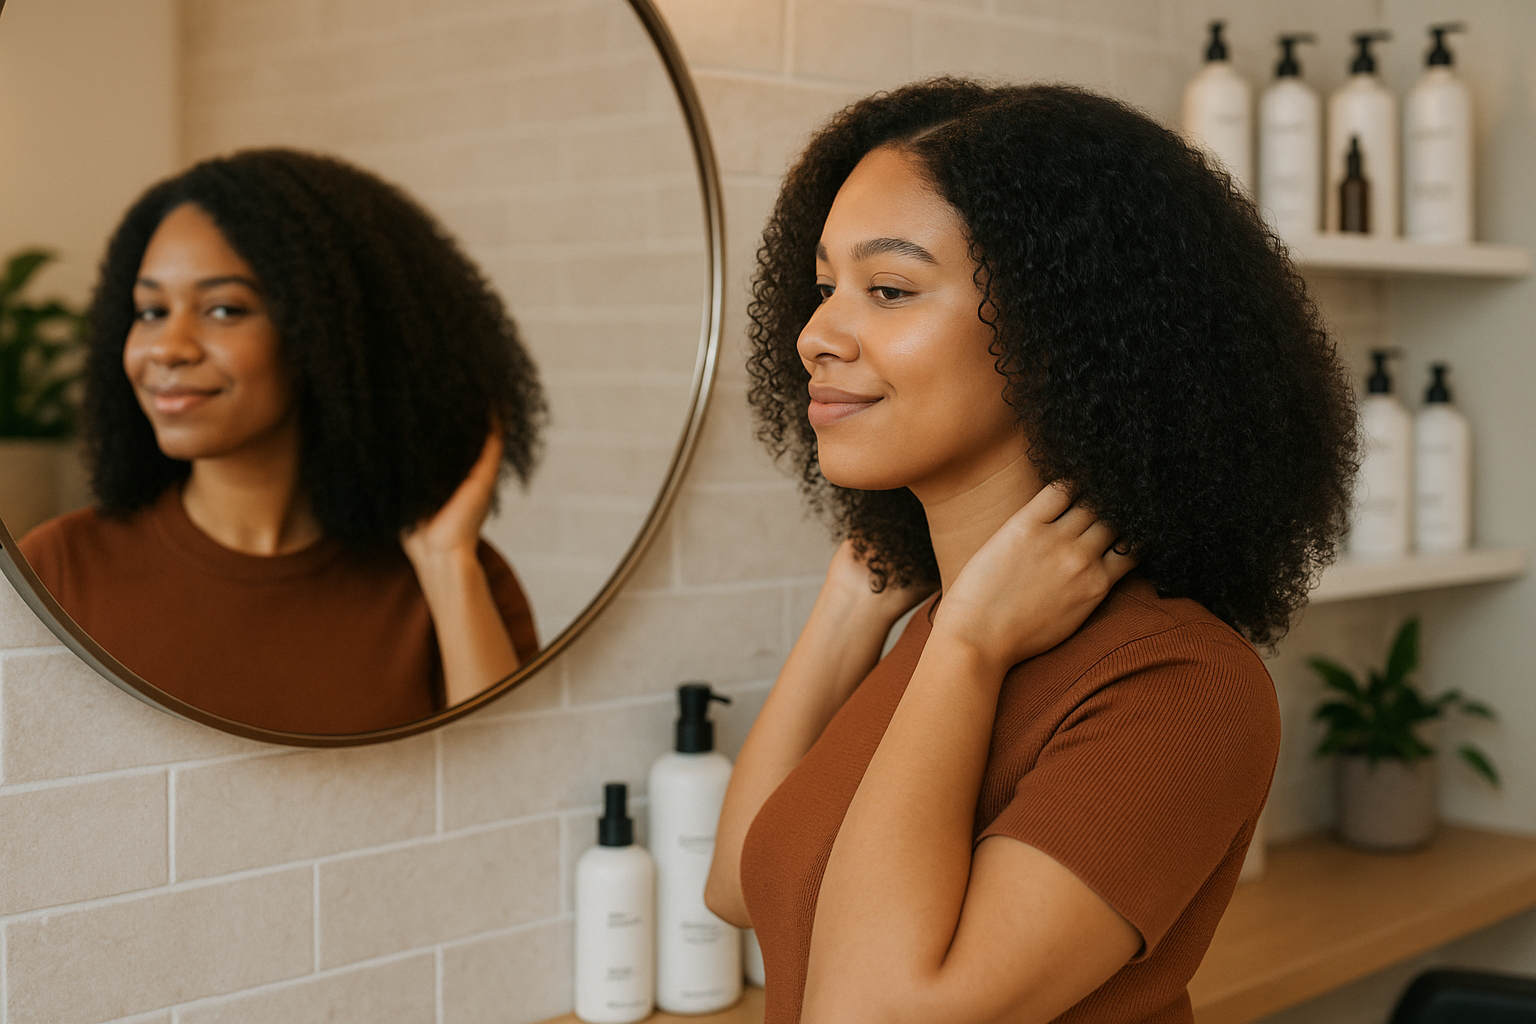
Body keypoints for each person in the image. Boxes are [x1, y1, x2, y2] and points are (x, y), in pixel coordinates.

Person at [704, 81, 1357, 1024]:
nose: (815, 336)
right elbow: (739, 887)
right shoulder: (944, 626)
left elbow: (873, 1015)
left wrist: (966, 647)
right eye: (822, 288)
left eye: (887, 290)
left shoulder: (1180, 687)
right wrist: (852, 608)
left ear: (1061, 330)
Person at [21, 149, 546, 735]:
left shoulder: (457, 580)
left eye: (224, 309)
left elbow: (509, 794)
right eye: (150, 311)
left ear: (325, 334)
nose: (166, 347)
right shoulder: (57, 573)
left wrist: (448, 563)